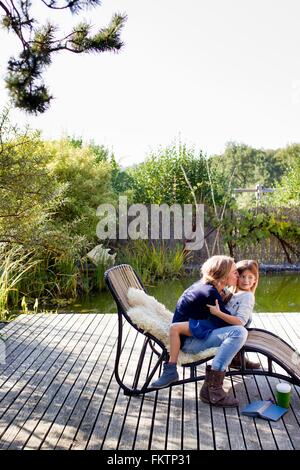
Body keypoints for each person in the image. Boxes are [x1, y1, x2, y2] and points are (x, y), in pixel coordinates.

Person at [151, 255, 249, 407]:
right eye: (235, 272)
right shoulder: (209, 293)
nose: (237, 275)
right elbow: (227, 321)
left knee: (240, 325)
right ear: (223, 274)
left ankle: (234, 359)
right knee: (239, 332)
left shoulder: (206, 286)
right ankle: (214, 389)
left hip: (194, 332)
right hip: (191, 342)